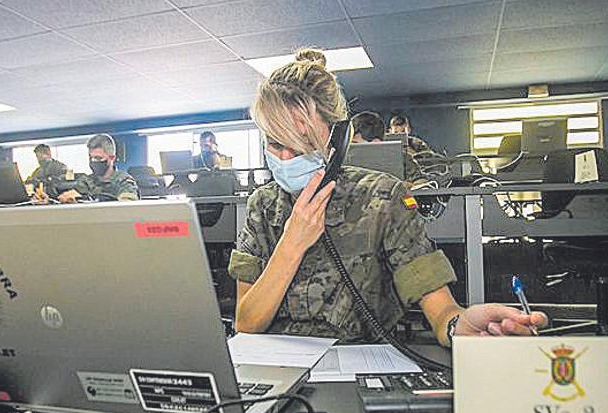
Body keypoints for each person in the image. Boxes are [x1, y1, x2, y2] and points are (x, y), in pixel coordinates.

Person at [228, 48, 547, 346]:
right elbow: (246, 322)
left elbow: (440, 311)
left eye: (300, 144)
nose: (284, 157)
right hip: (277, 368)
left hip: (361, 366)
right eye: (274, 143)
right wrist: (292, 243)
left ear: (339, 138)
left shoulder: (383, 198)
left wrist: (460, 326)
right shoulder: (262, 206)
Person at [351, 111, 434, 186]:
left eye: (355, 145)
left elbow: (422, 182)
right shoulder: (344, 159)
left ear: (376, 143)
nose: (350, 150)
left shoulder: (401, 159)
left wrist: (406, 188)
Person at [57, 134, 139, 203]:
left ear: (112, 158)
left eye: (98, 158)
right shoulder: (86, 180)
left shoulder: (124, 181)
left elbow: (126, 209)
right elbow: (71, 193)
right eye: (90, 158)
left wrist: (84, 199)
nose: (93, 161)